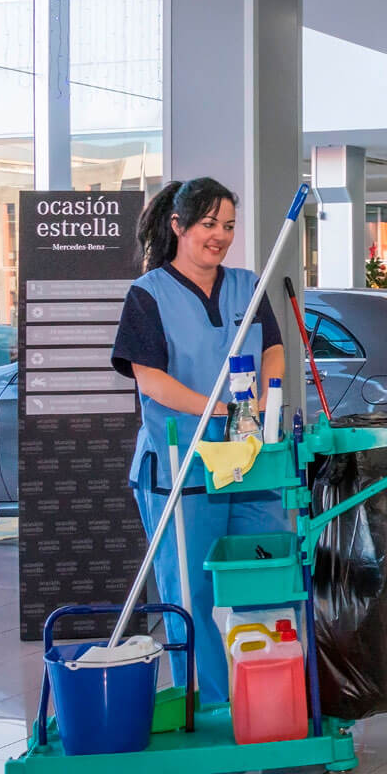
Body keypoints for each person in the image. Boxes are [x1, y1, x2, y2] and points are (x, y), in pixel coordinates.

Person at [111, 178, 287, 704]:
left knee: (266, 580)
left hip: (251, 463)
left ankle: (271, 699)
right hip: (181, 467)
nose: (220, 236)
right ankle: (208, 707)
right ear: (178, 226)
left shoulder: (246, 285)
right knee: (192, 596)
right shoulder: (149, 295)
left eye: (229, 226)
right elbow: (150, 379)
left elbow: (273, 348)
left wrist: (264, 398)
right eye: (208, 224)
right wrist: (219, 408)